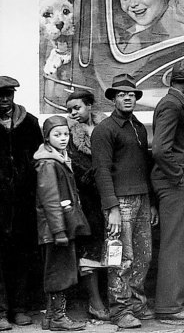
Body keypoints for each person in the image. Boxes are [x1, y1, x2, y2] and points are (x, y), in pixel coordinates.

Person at [91, 74, 158, 329]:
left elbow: (144, 167)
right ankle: (119, 310)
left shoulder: (138, 127)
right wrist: (112, 209)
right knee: (121, 257)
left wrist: (150, 201)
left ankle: (137, 303)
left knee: (144, 256)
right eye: (121, 94)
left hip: (141, 198)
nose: (127, 97)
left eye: (131, 94)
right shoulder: (105, 130)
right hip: (120, 202)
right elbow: (101, 171)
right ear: (113, 99)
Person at [151, 60, 184, 321]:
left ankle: (174, 302)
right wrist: (180, 179)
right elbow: (160, 149)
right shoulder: (172, 104)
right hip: (175, 184)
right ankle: (170, 306)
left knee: (179, 244)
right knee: (176, 245)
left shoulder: (177, 101)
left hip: (177, 182)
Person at [35, 116, 90, 332]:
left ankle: (51, 317)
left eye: (65, 134)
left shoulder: (58, 159)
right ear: (47, 138)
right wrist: (58, 231)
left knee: (59, 270)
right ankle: (57, 317)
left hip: (60, 227)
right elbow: (50, 200)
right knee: (60, 272)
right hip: (56, 229)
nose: (63, 138)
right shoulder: (48, 163)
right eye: (57, 135)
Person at [0, 75, 43, 330]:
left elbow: (39, 160)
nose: (5, 100)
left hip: (24, 204)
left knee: (22, 256)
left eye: (8, 94)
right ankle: (1, 311)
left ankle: (20, 308)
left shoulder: (29, 123)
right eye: (0, 95)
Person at [64, 91, 109, 321]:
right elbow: (78, 169)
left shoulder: (105, 128)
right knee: (89, 247)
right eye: (69, 109)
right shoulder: (70, 136)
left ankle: (110, 296)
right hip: (87, 201)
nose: (73, 113)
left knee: (110, 247)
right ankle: (94, 301)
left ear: (90, 106)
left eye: (77, 107)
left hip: (109, 198)